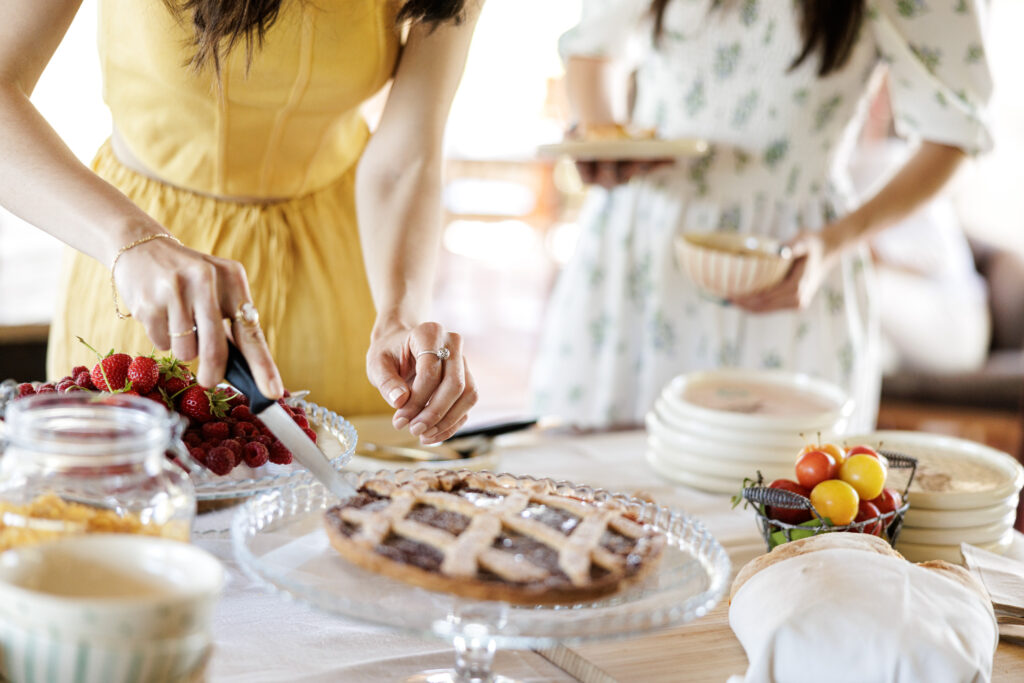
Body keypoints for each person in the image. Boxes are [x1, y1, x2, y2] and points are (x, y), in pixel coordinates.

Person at [0, 0, 482, 444]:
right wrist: (128, 239)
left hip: (341, 273)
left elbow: (407, 156)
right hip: (147, 267)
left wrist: (398, 314)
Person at [530, 0, 993, 431]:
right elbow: (594, 48)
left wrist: (834, 242)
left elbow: (955, 134)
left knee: (776, 499)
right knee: (596, 483)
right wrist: (606, 137)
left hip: (788, 263)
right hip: (641, 245)